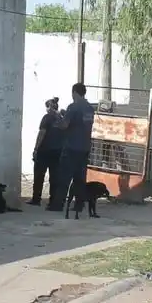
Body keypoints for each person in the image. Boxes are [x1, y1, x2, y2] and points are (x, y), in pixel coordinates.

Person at [48, 82, 96, 213]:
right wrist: (65, 114)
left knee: (63, 178)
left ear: (74, 92)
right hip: (85, 147)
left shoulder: (73, 107)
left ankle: (57, 205)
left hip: (71, 147)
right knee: (80, 179)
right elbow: (81, 123)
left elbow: (64, 125)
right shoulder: (89, 109)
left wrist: (56, 116)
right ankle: (79, 205)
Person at [28, 97, 63, 206]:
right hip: (57, 151)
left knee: (39, 176)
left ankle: (36, 199)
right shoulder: (61, 119)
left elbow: (41, 133)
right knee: (55, 177)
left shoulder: (46, 118)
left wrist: (36, 149)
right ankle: (53, 200)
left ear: (49, 107)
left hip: (44, 151)